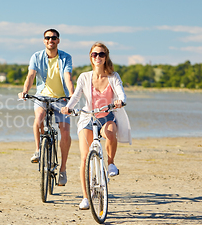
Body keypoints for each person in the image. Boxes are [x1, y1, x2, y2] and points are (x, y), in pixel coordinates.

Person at [61, 42, 131, 210]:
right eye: (94, 54)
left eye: (101, 54)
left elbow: (121, 92)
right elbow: (77, 95)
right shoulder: (85, 77)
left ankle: (111, 163)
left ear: (106, 57)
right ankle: (85, 197)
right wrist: (68, 107)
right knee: (85, 158)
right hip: (87, 117)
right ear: (90, 57)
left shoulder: (113, 76)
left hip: (106, 114)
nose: (98, 57)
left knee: (111, 132)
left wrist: (120, 101)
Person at [18, 29, 74, 186]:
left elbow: (67, 76)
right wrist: (25, 91)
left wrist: (72, 96)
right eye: (48, 38)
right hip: (42, 95)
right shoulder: (36, 56)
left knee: (65, 130)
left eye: (54, 38)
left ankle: (62, 169)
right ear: (44, 41)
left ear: (58, 40)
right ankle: (38, 150)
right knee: (39, 118)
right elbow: (31, 75)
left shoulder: (65, 57)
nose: (51, 40)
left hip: (61, 98)